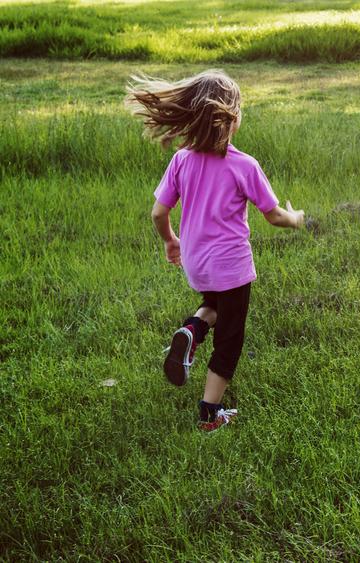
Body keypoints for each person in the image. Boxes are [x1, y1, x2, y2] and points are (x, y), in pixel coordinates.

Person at [125, 70, 305, 432]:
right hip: (232, 267)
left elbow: (158, 212)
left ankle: (193, 328)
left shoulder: (182, 161)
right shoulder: (244, 165)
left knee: (215, 306)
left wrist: (169, 241)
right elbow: (273, 216)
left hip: (197, 263)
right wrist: (297, 218)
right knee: (231, 337)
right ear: (233, 118)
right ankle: (210, 413)